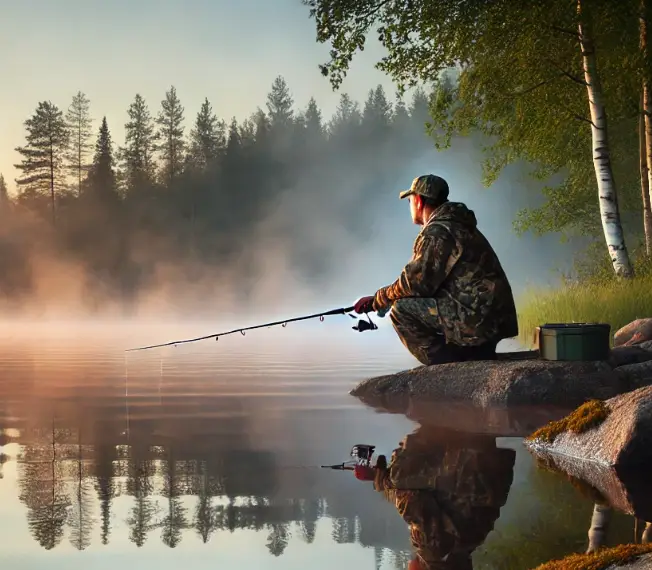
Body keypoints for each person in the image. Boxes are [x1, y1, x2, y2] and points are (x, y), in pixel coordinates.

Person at [353, 174, 518, 365]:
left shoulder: (438, 231)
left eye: (410, 200)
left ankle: (447, 367)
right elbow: (426, 283)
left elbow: (415, 283)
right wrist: (382, 298)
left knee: (401, 310)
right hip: (487, 318)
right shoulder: (456, 224)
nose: (410, 205)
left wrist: (379, 298)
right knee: (406, 300)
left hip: (477, 319)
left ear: (419, 201)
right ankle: (469, 353)